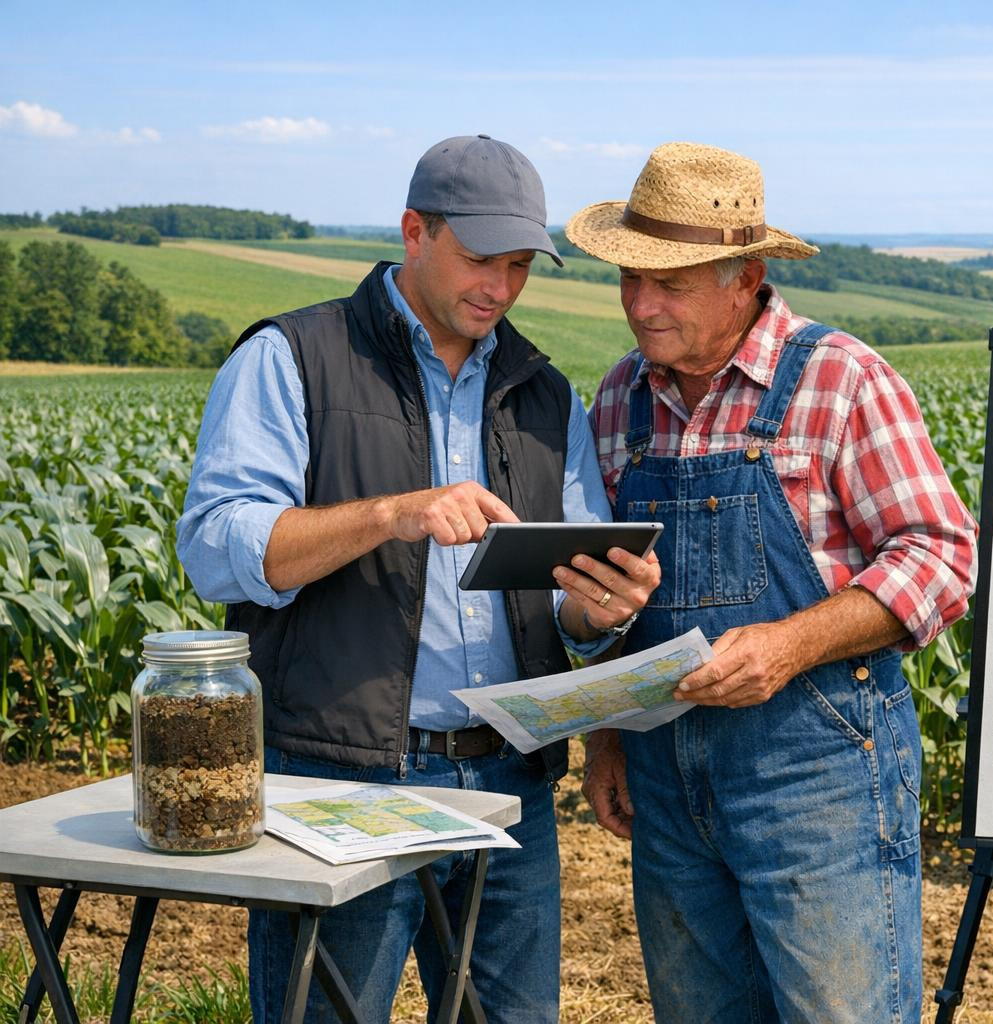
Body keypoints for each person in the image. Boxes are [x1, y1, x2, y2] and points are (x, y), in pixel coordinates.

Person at [176, 134, 659, 1023]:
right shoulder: (292, 359)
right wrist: (388, 514)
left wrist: (593, 613)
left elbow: (562, 594)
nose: (500, 289)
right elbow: (214, 545)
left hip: (507, 791)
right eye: (481, 260)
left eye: (519, 266)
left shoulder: (543, 393)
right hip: (339, 784)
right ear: (413, 232)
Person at [570, 142, 977, 1023]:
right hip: (666, 785)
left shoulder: (839, 380)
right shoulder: (617, 402)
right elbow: (601, 598)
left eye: (670, 283)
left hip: (816, 774)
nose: (641, 304)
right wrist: (606, 736)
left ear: (746, 276)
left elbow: (941, 556)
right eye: (630, 279)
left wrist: (790, 644)